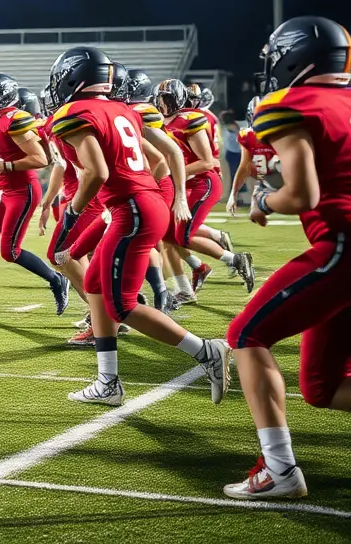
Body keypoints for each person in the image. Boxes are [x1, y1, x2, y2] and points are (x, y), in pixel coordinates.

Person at [44, 46, 231, 408]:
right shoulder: (122, 108)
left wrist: (71, 212)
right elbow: (161, 156)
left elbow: (96, 173)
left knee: (122, 305)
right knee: (96, 285)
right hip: (140, 203)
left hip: (130, 208)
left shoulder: (74, 113)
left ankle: (206, 351)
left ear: (72, 76)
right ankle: (107, 381)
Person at [225, 15, 351, 500]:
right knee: (322, 386)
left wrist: (262, 201)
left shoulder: (288, 103)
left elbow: (301, 193)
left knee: (245, 334)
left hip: (341, 245)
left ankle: (278, 470)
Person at [0, 73, 69, 321]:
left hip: (21, 191)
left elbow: (41, 159)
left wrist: (6, 167)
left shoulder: (16, 119)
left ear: (3, 95)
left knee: (10, 251)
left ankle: (56, 279)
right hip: (0, 190)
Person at [156, 79, 254, 295]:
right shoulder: (162, 123)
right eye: (161, 99)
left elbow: (206, 162)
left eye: (167, 99)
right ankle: (198, 270)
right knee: (166, 233)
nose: (163, 103)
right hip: (185, 184)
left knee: (182, 236)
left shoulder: (189, 119)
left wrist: (172, 174)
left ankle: (234, 259)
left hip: (203, 182)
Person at [220, 108, 244, 204]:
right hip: (235, 153)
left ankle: (235, 196)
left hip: (233, 153)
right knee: (235, 175)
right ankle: (235, 196)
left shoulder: (230, 127)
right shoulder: (235, 126)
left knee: (234, 175)